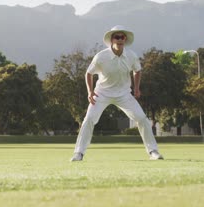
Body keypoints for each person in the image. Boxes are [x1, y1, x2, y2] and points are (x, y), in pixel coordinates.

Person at [70, 25, 163, 161]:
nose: (120, 39)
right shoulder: (101, 57)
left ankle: (153, 151)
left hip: (124, 94)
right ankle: (78, 153)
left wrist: (136, 88)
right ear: (112, 40)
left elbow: (137, 70)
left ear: (125, 40)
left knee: (142, 119)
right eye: (117, 37)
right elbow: (88, 73)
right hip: (102, 93)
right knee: (89, 119)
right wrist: (90, 92)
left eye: (122, 37)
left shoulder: (131, 56)